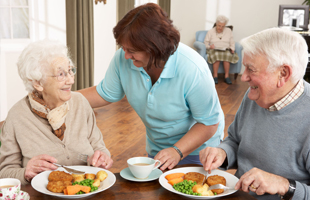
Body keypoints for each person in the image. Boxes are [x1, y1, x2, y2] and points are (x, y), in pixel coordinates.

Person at [79, 3, 224, 171]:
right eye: (123, 48)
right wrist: (60, 98)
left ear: (155, 48)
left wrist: (177, 150)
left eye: (132, 50)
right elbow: (104, 93)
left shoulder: (192, 68)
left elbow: (209, 123)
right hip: (159, 149)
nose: (125, 55)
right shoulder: (124, 58)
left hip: (199, 151)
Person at [199, 27, 310, 200]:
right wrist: (223, 153)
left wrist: (283, 185)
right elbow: (235, 139)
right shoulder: (254, 95)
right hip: (236, 195)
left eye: (251, 69)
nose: (244, 77)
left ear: (283, 73)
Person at [0, 40, 113, 185]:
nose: (71, 80)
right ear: (38, 83)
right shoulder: (16, 116)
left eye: (71, 70)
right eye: (61, 74)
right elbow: (4, 173)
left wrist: (102, 158)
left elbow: (99, 147)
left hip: (86, 190)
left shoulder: (80, 103)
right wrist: (25, 172)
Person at [204, 15, 239, 84]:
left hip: (225, 49)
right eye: (219, 25)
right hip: (214, 49)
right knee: (217, 55)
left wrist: (232, 48)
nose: (220, 28)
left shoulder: (228, 31)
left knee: (228, 55)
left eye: (223, 26)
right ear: (216, 24)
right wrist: (210, 46)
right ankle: (215, 76)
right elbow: (206, 42)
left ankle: (226, 76)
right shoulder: (210, 31)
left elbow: (232, 41)